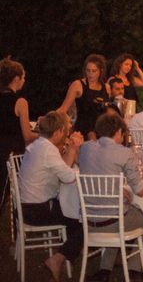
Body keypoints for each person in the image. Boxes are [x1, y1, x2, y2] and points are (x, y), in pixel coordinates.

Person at [79, 113, 143, 282]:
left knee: (118, 212)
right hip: (114, 223)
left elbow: (97, 171)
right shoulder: (124, 152)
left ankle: (104, 271)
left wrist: (118, 189)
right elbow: (141, 190)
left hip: (89, 221)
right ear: (118, 132)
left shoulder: (85, 148)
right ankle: (135, 271)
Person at [19, 111, 84, 281]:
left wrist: (70, 149)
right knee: (85, 222)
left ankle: (69, 251)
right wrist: (73, 148)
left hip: (28, 207)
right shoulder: (48, 150)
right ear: (57, 132)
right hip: (38, 210)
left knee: (74, 216)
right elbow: (69, 177)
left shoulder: (40, 145)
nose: (67, 134)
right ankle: (59, 258)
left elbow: (62, 167)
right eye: (65, 131)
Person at [0, 57, 37, 193]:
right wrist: (46, 134)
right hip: (12, 157)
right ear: (16, 79)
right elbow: (27, 135)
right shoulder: (20, 102)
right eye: (23, 77)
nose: (24, 80)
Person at [58, 54, 110, 140]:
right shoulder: (78, 85)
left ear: (101, 71)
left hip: (101, 133)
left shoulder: (107, 88)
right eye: (88, 70)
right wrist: (47, 119)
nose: (90, 74)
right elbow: (63, 109)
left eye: (94, 71)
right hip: (82, 132)